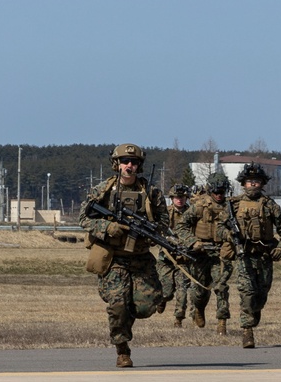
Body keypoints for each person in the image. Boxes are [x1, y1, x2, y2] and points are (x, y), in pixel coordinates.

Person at [79, 143, 169, 368]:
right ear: (116, 164)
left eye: (134, 162)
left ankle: (145, 304)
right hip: (114, 258)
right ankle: (122, 349)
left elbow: (164, 222)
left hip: (140, 258)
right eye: (125, 162)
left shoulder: (151, 192)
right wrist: (108, 228)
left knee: (144, 308)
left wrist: (151, 231)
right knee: (118, 303)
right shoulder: (103, 190)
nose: (129, 166)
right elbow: (84, 218)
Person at [224, 163, 281, 349]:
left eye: (256, 182)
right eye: (249, 182)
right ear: (243, 184)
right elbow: (221, 228)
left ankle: (254, 314)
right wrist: (230, 235)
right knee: (247, 293)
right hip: (244, 256)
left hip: (264, 257)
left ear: (262, 184)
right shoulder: (233, 205)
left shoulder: (270, 205)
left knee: (260, 296)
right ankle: (247, 331)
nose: (252, 185)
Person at [173, 173, 235, 335]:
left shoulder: (231, 208)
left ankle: (222, 323)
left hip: (221, 253)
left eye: (222, 191)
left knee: (221, 286)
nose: (219, 195)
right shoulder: (199, 206)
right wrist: (193, 242)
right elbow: (181, 226)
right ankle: (199, 308)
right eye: (216, 191)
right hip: (200, 253)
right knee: (200, 290)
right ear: (210, 190)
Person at [156, 183, 192, 327]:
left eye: (182, 197)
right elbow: (159, 231)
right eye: (177, 197)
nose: (180, 200)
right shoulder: (166, 213)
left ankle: (178, 319)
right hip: (166, 258)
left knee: (182, 291)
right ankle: (162, 300)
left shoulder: (191, 213)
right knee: (167, 291)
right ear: (172, 198)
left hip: (184, 258)